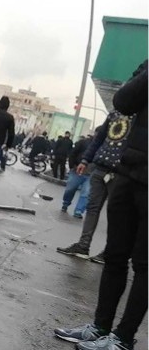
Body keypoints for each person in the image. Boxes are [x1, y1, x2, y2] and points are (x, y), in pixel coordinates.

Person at [54, 62, 146, 350]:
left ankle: (122, 339)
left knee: (144, 264)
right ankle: (99, 327)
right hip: (129, 171)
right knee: (115, 255)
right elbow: (124, 101)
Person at [57, 112, 135, 262]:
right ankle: (83, 246)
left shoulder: (141, 115)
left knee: (116, 213)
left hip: (121, 172)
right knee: (93, 208)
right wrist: (85, 160)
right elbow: (98, 138)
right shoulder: (114, 113)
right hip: (101, 168)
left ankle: (110, 252)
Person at [59, 134, 93, 218]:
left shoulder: (103, 147)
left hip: (91, 174)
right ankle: (65, 203)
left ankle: (78, 211)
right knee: (70, 189)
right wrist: (72, 166)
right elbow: (73, 153)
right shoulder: (83, 143)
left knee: (86, 193)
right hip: (77, 170)